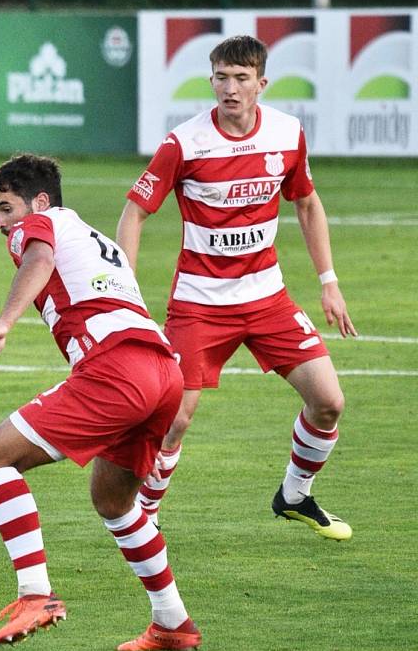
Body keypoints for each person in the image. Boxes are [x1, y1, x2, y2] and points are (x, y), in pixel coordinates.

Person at [116, 35, 356, 540]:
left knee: (329, 401)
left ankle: (294, 495)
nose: (230, 88)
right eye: (221, 77)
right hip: (199, 305)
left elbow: (307, 203)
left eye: (241, 78)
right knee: (175, 418)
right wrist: (125, 287)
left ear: (261, 84)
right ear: (211, 81)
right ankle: (146, 518)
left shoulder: (288, 134)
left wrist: (329, 283)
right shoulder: (184, 144)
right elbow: (135, 211)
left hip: (268, 299)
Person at [0, 154, 200, 651]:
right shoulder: (97, 238)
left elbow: (39, 260)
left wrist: (3, 324)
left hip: (117, 370)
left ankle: (36, 595)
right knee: (115, 501)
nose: (0, 223)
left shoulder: (40, 226)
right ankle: (173, 623)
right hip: (164, 373)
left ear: (40, 201)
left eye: (5, 208)